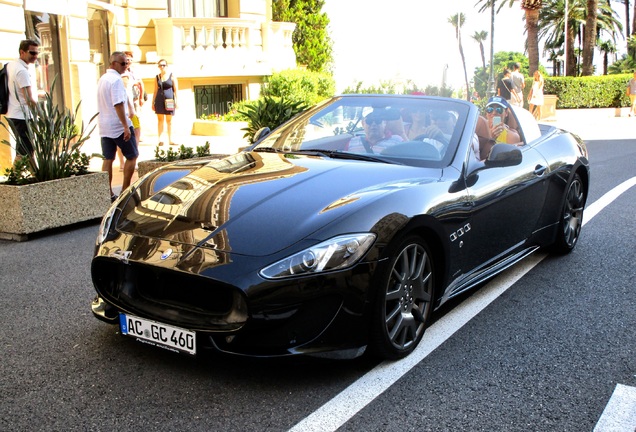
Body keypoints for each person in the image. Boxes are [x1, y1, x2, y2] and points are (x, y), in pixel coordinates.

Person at [97, 51, 138, 201]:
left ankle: (107, 193)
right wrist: (126, 126)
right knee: (132, 156)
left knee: (108, 158)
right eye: (123, 63)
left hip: (104, 126)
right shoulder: (115, 81)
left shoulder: (103, 79)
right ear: (113, 63)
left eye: (127, 63)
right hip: (118, 125)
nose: (126, 66)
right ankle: (125, 191)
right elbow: (118, 104)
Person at [5, 39, 39, 160]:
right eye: (32, 53)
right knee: (25, 149)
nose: (35, 56)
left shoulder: (11, 65)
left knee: (26, 149)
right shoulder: (22, 71)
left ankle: (36, 177)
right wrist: (42, 114)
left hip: (12, 113)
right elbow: (28, 99)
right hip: (21, 115)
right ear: (22, 52)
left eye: (37, 53)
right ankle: (14, 176)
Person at [152, 59, 178, 146]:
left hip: (170, 100)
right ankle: (160, 139)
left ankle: (171, 139)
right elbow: (155, 90)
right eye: (160, 65)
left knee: (169, 120)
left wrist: (177, 101)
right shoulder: (157, 77)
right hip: (159, 100)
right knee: (160, 120)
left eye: (163, 65)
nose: (162, 67)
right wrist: (153, 102)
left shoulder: (172, 76)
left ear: (167, 66)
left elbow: (175, 90)